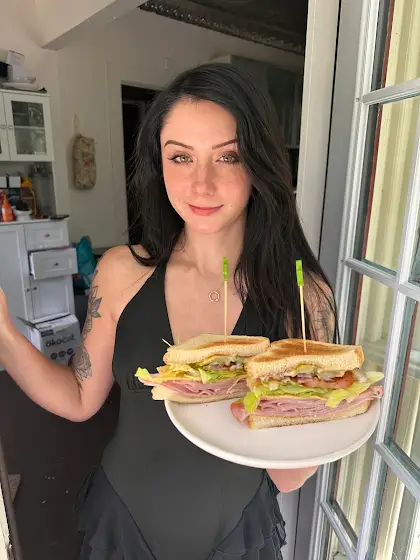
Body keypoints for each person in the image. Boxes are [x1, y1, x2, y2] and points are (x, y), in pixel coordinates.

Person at [0, 63, 337, 560]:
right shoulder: (121, 272)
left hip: (237, 538)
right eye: (181, 157)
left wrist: (312, 412)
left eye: (228, 156)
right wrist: (5, 333)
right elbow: (78, 397)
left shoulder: (303, 298)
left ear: (260, 163)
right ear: (159, 165)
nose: (201, 185)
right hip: (123, 529)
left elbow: (287, 477)